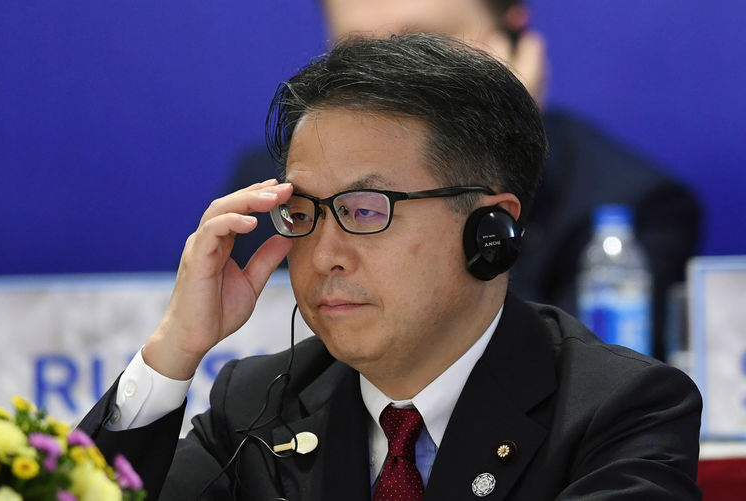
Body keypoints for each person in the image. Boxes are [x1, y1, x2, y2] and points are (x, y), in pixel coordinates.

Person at [80, 34, 702, 500]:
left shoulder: (619, 409)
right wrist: (172, 352)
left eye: (363, 209)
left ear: (491, 231)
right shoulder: (260, 405)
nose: (324, 254)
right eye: (303, 211)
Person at [230, 0, 702, 360]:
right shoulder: (270, 185)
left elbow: (573, 387)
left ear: (514, 40)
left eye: (429, 42)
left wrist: (498, 152)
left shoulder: (630, 200)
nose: (394, 80)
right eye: (362, 52)